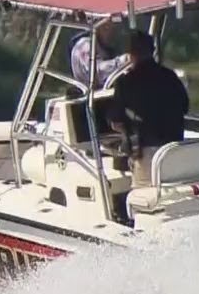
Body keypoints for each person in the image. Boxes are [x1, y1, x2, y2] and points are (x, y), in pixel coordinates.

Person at [106, 30, 190, 188]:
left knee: (145, 197)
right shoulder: (170, 76)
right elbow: (184, 107)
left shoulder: (126, 83)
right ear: (153, 51)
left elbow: (114, 120)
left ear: (130, 55)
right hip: (175, 150)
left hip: (148, 155)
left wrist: (126, 130)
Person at [70, 23, 130, 88]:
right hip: (92, 95)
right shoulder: (85, 45)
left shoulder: (107, 48)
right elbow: (95, 71)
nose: (112, 30)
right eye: (106, 27)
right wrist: (123, 61)